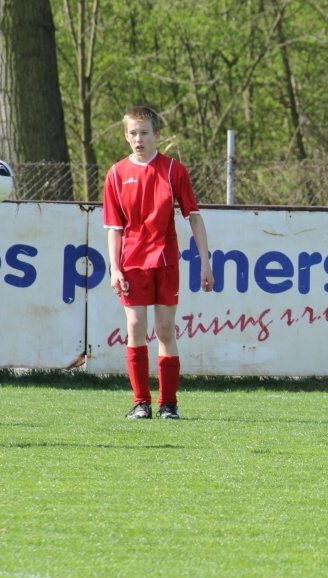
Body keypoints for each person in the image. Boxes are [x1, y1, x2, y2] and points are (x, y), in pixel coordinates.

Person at [103, 106, 214, 420]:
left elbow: (194, 217)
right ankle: (141, 403)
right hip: (132, 263)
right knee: (135, 327)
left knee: (165, 330)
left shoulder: (173, 170)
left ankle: (169, 404)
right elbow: (114, 227)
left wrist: (205, 262)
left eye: (145, 133)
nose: (139, 139)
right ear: (126, 136)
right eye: (133, 133)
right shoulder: (115, 173)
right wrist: (115, 267)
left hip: (165, 261)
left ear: (157, 135)